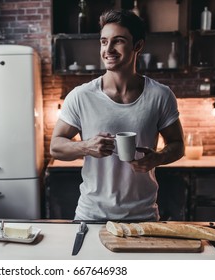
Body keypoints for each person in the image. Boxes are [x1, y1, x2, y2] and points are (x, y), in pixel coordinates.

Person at [50, 9, 185, 221]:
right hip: (91, 216)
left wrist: (157, 158)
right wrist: (85, 147)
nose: (108, 49)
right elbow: (56, 147)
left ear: (138, 46)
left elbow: (177, 145)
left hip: (143, 216)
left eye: (118, 41)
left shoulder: (160, 95)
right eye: (104, 41)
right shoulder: (81, 96)